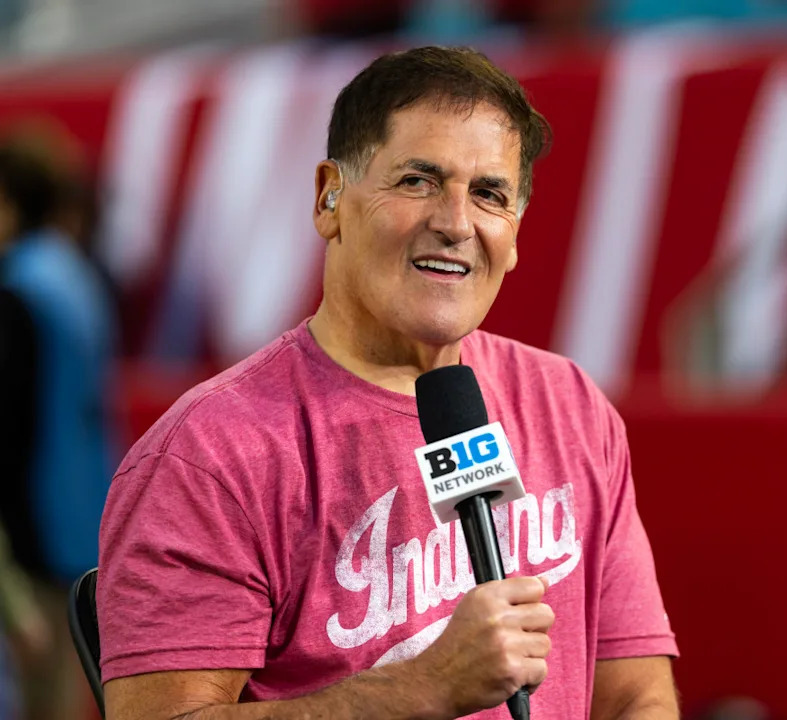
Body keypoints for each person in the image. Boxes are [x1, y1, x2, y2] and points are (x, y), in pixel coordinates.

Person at [98, 46, 679, 719]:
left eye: (488, 194)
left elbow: (636, 696)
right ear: (329, 199)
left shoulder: (570, 406)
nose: (455, 223)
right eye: (417, 181)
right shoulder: (211, 455)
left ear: (515, 234)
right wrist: (420, 688)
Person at [0, 132, 117, 720]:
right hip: (87, 506)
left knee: (44, 686)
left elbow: (13, 426)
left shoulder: (20, 291)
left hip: (35, 522)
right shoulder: (75, 274)